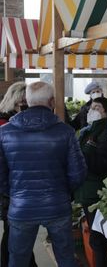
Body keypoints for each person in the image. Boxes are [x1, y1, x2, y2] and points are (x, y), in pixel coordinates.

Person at [0, 81, 86, 267]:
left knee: (18, 260)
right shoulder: (66, 131)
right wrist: (63, 191)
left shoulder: (4, 133)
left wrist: (15, 192)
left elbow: (1, 174)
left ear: (27, 101)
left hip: (21, 207)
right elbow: (78, 172)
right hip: (57, 205)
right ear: (52, 101)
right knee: (65, 258)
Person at [74, 97, 107, 267]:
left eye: (97, 107)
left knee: (100, 240)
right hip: (87, 193)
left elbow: (101, 164)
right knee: (97, 239)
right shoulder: (88, 131)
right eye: (91, 107)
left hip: (99, 194)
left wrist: (84, 152)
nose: (91, 111)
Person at [0, 82, 38, 267]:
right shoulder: (4, 123)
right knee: (13, 234)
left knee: (17, 235)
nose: (24, 107)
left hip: (22, 188)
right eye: (21, 103)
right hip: (11, 189)